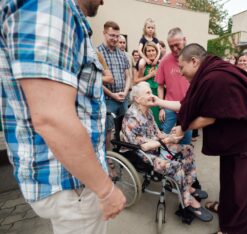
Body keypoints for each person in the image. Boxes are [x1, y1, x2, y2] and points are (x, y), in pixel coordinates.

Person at [0, 0, 125, 233]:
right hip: (71, 182)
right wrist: (106, 190)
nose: (103, 1)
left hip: (68, 179)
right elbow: (52, 119)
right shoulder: (51, 6)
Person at [153, 43, 247, 234]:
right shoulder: (209, 74)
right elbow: (187, 106)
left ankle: (233, 229)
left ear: (194, 61)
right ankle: (226, 212)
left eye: (182, 68)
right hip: (236, 142)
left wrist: (183, 127)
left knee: (244, 192)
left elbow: (210, 116)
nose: (181, 74)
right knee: (230, 183)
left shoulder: (216, 77)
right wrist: (158, 101)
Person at [121, 82, 212, 222]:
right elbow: (143, 146)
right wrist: (168, 141)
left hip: (156, 147)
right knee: (175, 166)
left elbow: (157, 133)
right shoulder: (132, 117)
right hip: (141, 154)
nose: (152, 95)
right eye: (148, 93)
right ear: (137, 99)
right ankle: (188, 201)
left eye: (151, 92)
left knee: (187, 149)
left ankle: (187, 186)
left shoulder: (148, 111)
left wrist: (170, 137)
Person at [97, 21, 131, 149]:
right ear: (104, 33)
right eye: (112, 35)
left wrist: (125, 92)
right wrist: (113, 95)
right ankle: (108, 158)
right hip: (108, 99)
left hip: (123, 98)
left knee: (124, 127)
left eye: (117, 36)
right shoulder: (97, 53)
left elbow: (128, 76)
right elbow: (97, 80)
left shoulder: (122, 54)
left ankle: (123, 153)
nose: (115, 39)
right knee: (107, 130)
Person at [155, 27, 192, 144]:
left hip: (187, 107)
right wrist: (161, 108)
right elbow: (160, 85)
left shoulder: (193, 60)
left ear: (184, 40)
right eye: (171, 46)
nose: (175, 49)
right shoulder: (165, 61)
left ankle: (183, 161)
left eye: (177, 44)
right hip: (170, 107)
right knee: (165, 139)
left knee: (185, 139)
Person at [134, 42, 161, 127]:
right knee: (148, 125)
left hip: (159, 96)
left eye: (153, 50)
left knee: (159, 124)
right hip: (147, 98)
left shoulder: (160, 64)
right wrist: (149, 75)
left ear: (156, 52)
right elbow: (136, 81)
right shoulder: (143, 65)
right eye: (148, 51)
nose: (151, 53)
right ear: (145, 53)